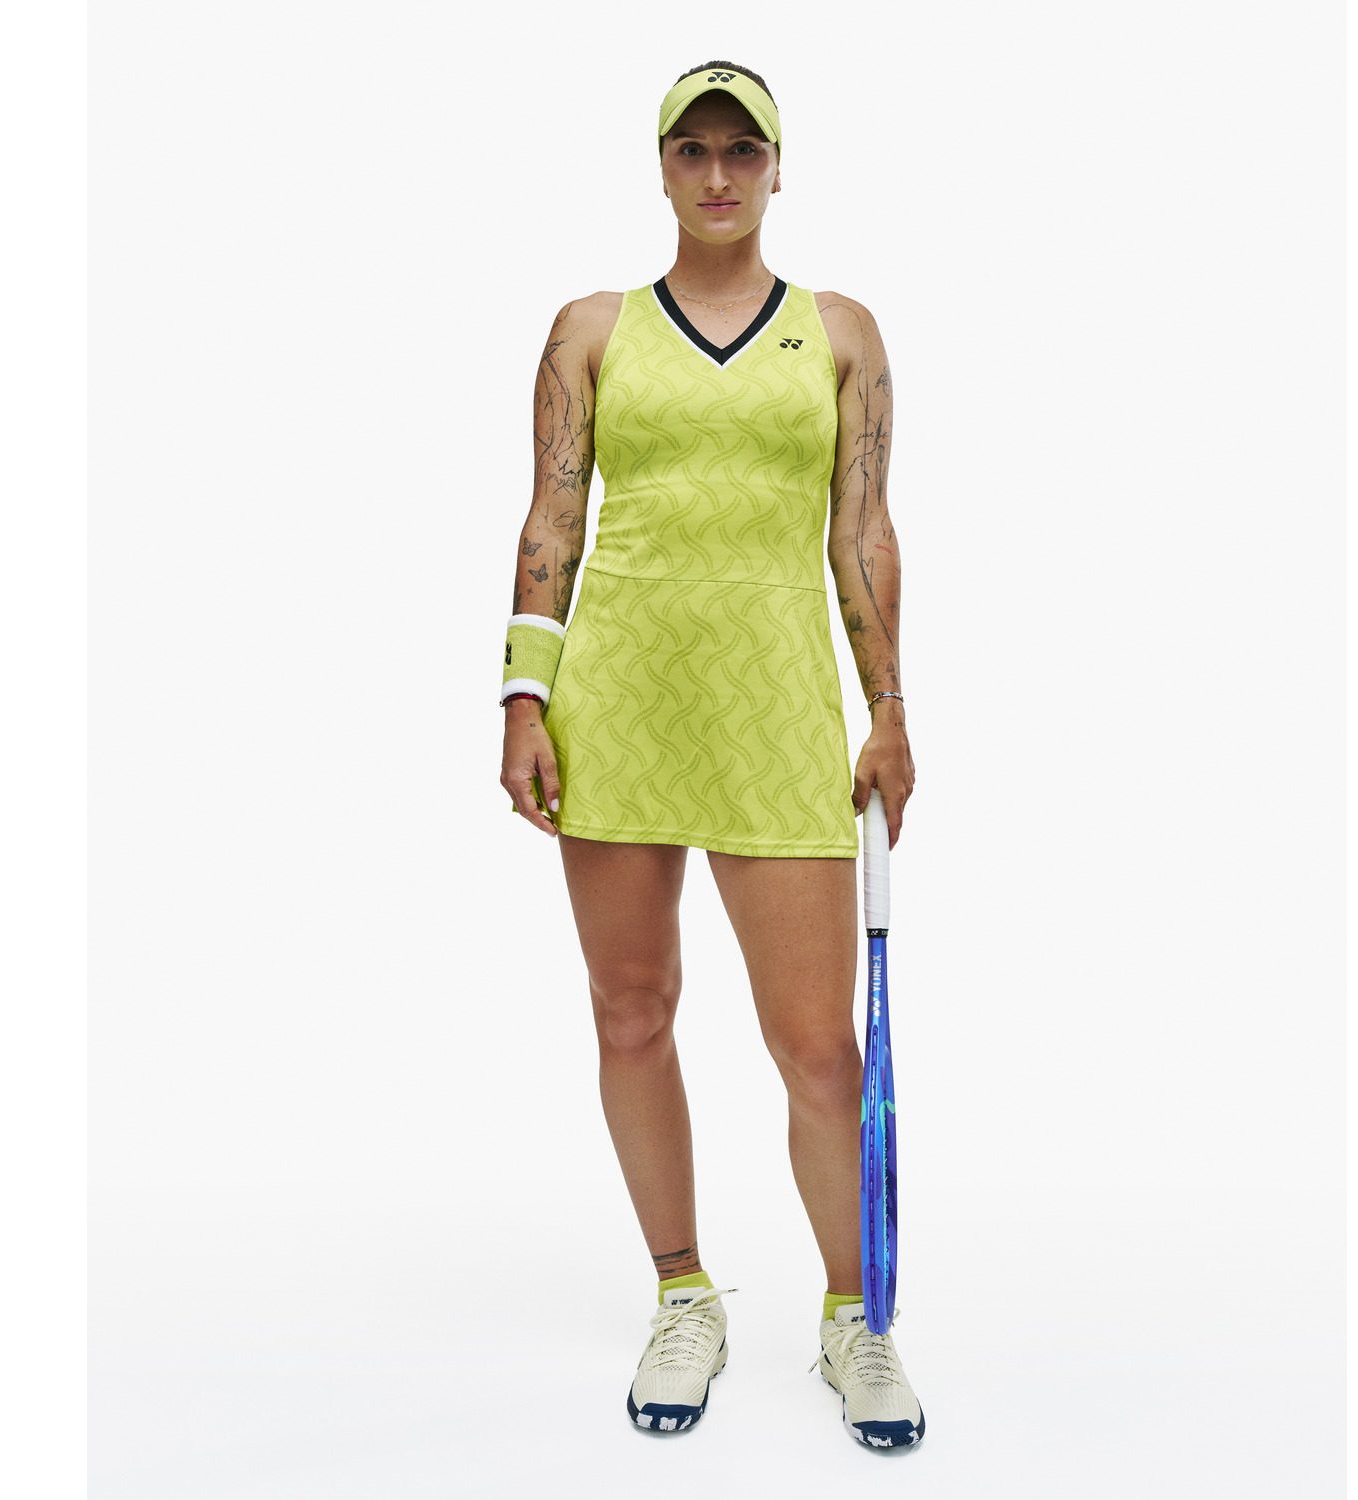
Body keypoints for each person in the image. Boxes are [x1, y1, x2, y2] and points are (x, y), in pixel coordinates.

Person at [499, 61, 923, 1449]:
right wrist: (523, 697)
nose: (721, 173)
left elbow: (862, 529)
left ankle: (856, 1321)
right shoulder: (591, 329)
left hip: (777, 708)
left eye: (746, 149)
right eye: (695, 150)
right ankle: (684, 1294)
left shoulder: (840, 333)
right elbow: (553, 514)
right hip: (619, 701)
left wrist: (889, 707)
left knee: (820, 1050)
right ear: (664, 168)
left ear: (779, 168)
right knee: (631, 1009)